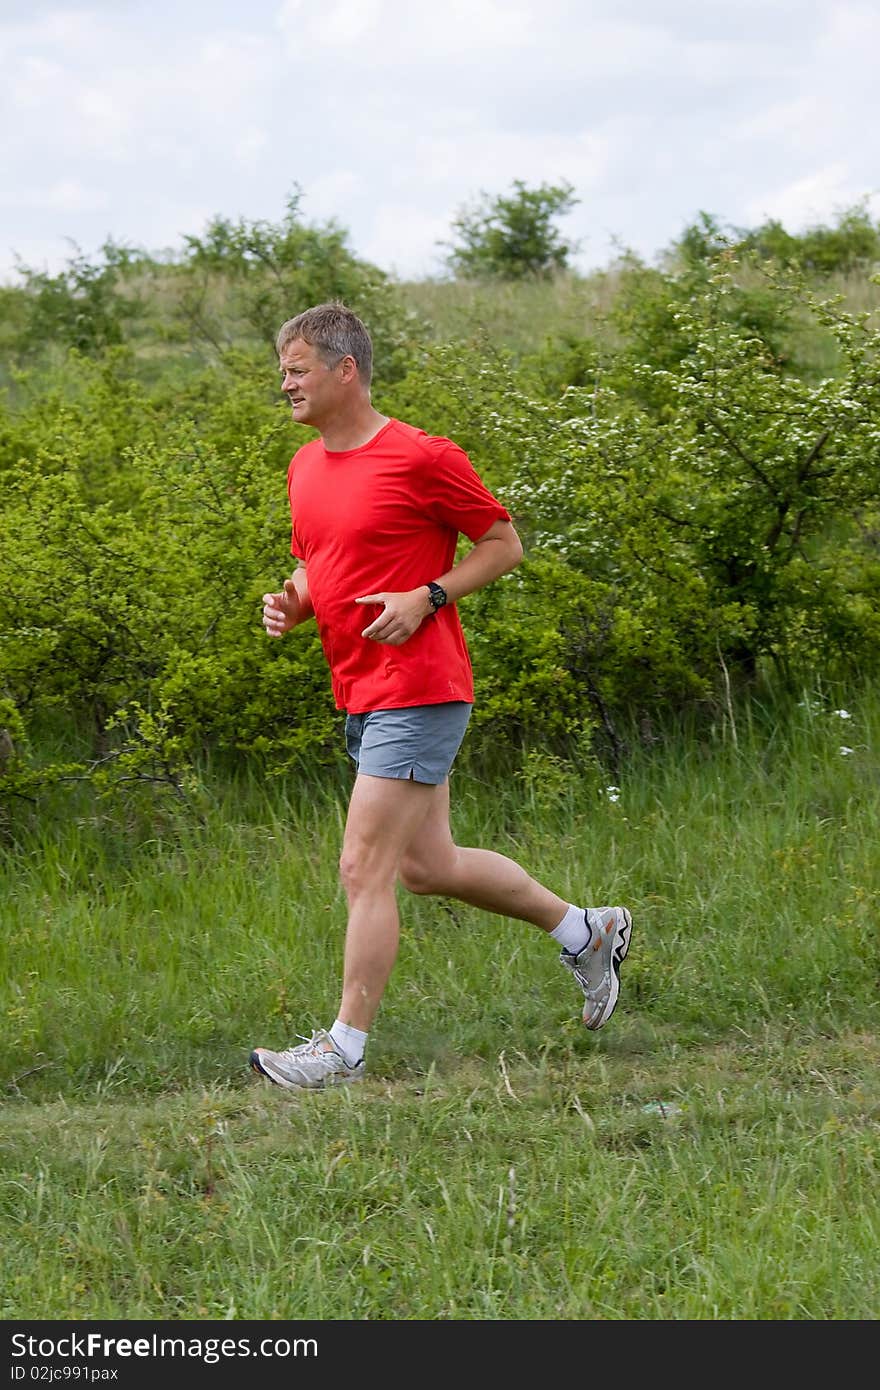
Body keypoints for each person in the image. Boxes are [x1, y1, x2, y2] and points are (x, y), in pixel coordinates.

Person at [249, 302, 633, 1090]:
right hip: (359, 688)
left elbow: (503, 545)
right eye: (283, 370)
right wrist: (292, 599)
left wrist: (430, 594)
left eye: (296, 370)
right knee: (429, 866)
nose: (284, 384)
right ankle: (584, 932)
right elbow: (318, 566)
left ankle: (342, 1049)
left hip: (418, 687)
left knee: (364, 868)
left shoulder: (422, 457)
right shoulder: (305, 467)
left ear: (344, 371)